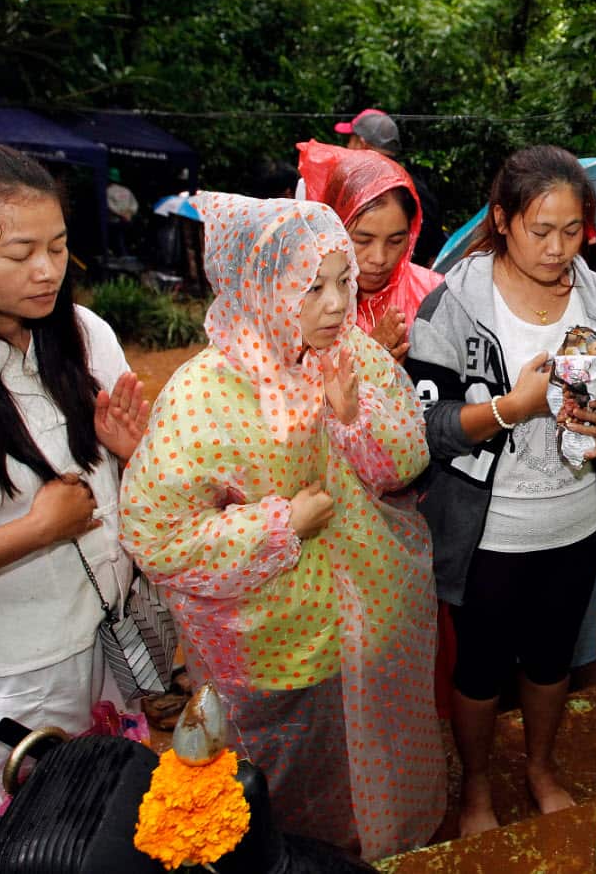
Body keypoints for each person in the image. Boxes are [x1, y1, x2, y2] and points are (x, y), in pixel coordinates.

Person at [119, 193, 445, 859]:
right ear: (260, 287)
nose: (334, 304)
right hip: (265, 648)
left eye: (341, 281)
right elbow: (157, 534)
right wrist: (281, 525)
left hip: (363, 617)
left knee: (356, 767)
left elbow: (406, 458)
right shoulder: (205, 392)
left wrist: (351, 416)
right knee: (275, 789)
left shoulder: (347, 351)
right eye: (310, 286)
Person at [406, 146, 596, 834]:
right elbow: (428, 425)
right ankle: (476, 785)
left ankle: (539, 765)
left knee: (550, 659)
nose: (557, 247)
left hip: (572, 522)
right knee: (478, 670)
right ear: (502, 219)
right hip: (487, 532)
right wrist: (514, 407)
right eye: (540, 229)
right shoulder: (454, 301)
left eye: (572, 231)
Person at [0, 140, 149, 837]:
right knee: (21, 841)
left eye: (58, 246)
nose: (45, 271)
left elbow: (138, 480)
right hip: (6, 678)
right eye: (18, 254)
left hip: (101, 645)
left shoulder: (83, 334)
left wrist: (133, 457)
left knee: (105, 828)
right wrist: (35, 530)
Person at [297, 140, 443, 361]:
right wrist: (371, 359)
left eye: (395, 241)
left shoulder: (436, 296)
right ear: (334, 228)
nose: (379, 258)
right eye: (363, 240)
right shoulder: (296, 297)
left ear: (411, 234)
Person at [335, 109, 446, 268]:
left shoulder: (356, 191)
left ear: (361, 143)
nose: (379, 258)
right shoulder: (419, 190)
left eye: (350, 141)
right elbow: (435, 256)